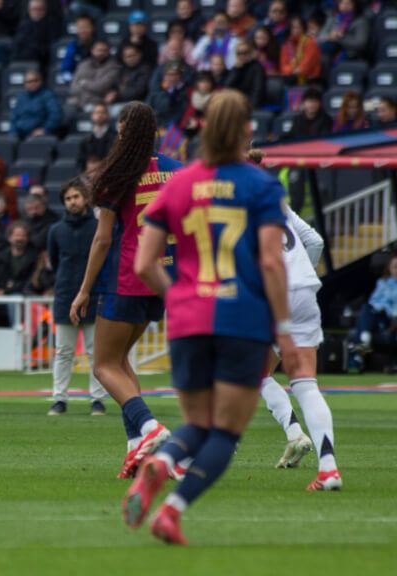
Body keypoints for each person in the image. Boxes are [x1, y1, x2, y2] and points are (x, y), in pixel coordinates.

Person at [122, 89, 296, 545]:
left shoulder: (176, 183)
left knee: (196, 424)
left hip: (189, 319)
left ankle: (159, 465)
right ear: (245, 130)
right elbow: (273, 262)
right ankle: (172, 511)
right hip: (242, 318)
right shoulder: (261, 184)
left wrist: (178, 295)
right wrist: (283, 330)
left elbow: (144, 264)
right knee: (225, 430)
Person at [69, 102, 181, 479]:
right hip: (160, 280)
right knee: (121, 362)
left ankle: (150, 428)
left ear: (122, 133)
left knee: (102, 366)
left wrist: (84, 290)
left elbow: (102, 240)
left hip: (125, 277)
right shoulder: (173, 170)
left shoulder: (115, 174)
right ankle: (136, 451)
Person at [257, 202, 341, 489]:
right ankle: (328, 469)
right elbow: (314, 241)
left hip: (270, 290)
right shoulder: (276, 199)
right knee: (306, 383)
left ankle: (293, 433)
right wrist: (302, 275)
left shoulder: (227, 194)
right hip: (304, 289)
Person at [47, 178, 105, 416]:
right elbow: (54, 261)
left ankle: (97, 400)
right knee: (63, 351)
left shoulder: (98, 227)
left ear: (86, 199)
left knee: (95, 352)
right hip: (64, 296)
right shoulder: (56, 230)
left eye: (76, 197)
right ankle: (59, 399)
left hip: (94, 296)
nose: (72, 202)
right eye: (68, 198)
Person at [68, 40, 120, 111]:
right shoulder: (83, 64)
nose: (101, 53)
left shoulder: (114, 67)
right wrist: (90, 86)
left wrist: (84, 83)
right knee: (68, 110)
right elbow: (73, 87)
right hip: (79, 101)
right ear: (92, 50)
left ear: (108, 52)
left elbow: (101, 88)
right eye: (99, 50)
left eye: (104, 50)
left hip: (99, 103)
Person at [10, 69, 62, 139]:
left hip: (38, 135)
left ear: (40, 81)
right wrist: (13, 132)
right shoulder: (21, 97)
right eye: (29, 82)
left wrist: (45, 129)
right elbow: (14, 116)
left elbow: (55, 115)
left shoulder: (48, 96)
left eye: (35, 80)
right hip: (20, 134)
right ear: (25, 84)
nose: (32, 83)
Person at [13, 0, 55, 71]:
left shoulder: (51, 24)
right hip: (23, 60)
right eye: (34, 9)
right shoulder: (23, 25)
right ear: (29, 10)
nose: (37, 12)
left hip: (41, 62)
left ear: (45, 10)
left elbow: (49, 48)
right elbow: (17, 45)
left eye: (40, 9)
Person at [224, 38, 266, 108]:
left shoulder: (257, 67)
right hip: (236, 103)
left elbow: (258, 91)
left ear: (251, 53)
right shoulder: (236, 68)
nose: (242, 56)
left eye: (245, 52)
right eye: (239, 53)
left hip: (249, 104)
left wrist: (250, 107)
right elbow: (227, 87)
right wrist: (236, 70)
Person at [280, 16, 321, 86]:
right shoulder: (286, 45)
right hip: (292, 76)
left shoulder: (310, 42)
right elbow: (283, 66)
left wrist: (296, 70)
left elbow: (307, 65)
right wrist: (292, 70)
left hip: (309, 78)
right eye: (293, 27)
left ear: (303, 28)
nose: (295, 30)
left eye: (298, 27)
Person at [58, 14, 96, 84]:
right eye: (80, 27)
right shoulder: (72, 46)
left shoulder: (99, 45)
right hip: (77, 84)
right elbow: (65, 69)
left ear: (93, 28)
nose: (83, 30)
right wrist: (76, 81)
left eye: (86, 27)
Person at [78, 103, 115, 172]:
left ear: (108, 115)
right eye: (97, 112)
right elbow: (81, 162)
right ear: (92, 115)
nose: (99, 115)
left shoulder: (115, 138)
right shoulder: (85, 140)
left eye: (102, 112)